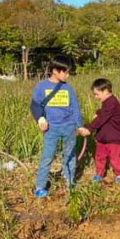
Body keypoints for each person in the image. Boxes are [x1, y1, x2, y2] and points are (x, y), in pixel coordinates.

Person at [31, 55, 83, 198]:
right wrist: (40, 119)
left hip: (69, 127)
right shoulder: (41, 87)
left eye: (68, 72)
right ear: (55, 71)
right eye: (65, 72)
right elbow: (35, 106)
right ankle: (40, 186)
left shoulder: (68, 89)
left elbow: (75, 108)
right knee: (47, 157)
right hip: (51, 129)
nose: (67, 75)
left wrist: (80, 126)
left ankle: (70, 182)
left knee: (70, 156)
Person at [78, 78, 120, 184]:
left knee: (114, 157)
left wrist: (90, 129)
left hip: (112, 138)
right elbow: (104, 112)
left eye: (96, 94)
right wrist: (98, 112)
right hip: (102, 138)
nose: (95, 97)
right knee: (99, 157)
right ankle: (99, 174)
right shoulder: (107, 103)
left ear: (105, 90)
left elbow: (103, 117)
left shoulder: (112, 102)